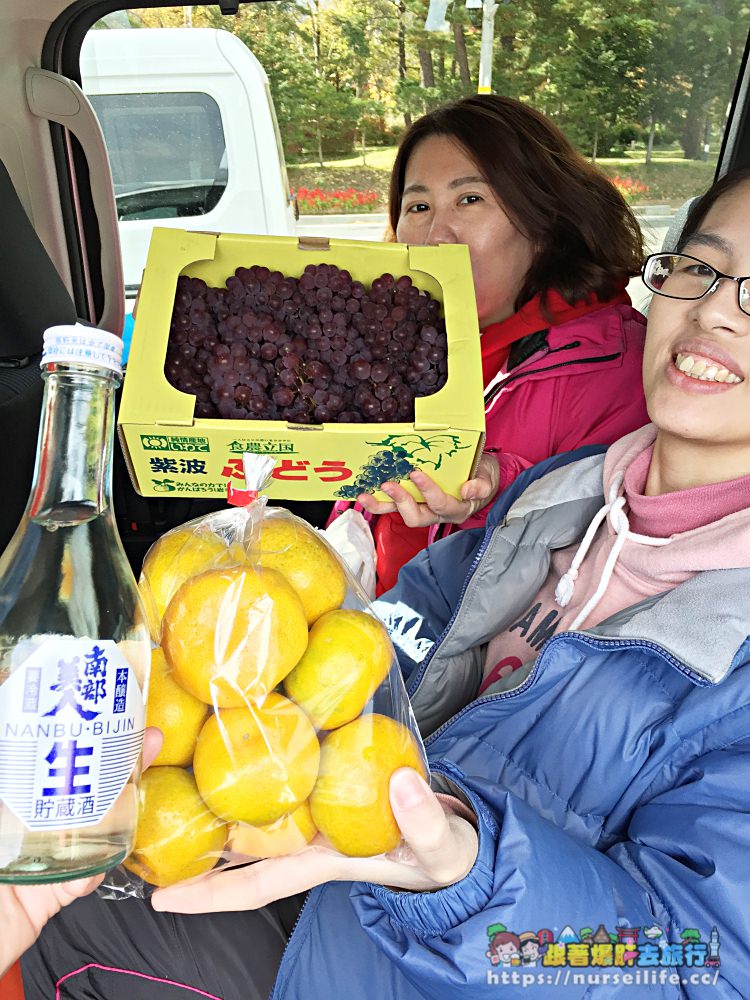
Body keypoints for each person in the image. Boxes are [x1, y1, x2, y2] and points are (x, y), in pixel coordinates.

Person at [20, 166, 750, 998]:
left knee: (72, 920)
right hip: (333, 876)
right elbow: (386, 640)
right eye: (701, 266)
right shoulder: (562, 496)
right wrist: (247, 646)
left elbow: (701, 970)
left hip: (430, 967)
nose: (717, 307)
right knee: (64, 864)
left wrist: (465, 874)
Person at [345, 94, 649, 593]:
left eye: (470, 199)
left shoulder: (617, 366)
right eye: (418, 206)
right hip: (371, 630)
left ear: (543, 222)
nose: (436, 236)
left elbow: (603, 544)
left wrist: (492, 490)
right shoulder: (403, 344)